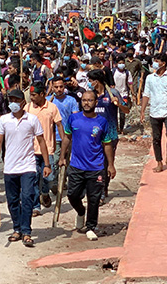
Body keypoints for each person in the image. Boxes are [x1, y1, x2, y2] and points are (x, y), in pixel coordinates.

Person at [0, 89, 50, 247]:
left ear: (23, 102)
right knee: (12, 201)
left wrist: (47, 164)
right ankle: (17, 228)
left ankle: (27, 231)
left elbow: (41, 141)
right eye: (11, 100)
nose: (13, 103)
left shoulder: (32, 119)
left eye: (16, 100)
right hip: (10, 167)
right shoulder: (4, 120)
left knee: (28, 197)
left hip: (28, 166)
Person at [60, 91, 116, 241]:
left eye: (90, 100)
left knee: (94, 198)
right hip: (76, 165)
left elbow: (107, 144)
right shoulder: (73, 119)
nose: (86, 103)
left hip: (96, 166)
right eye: (84, 100)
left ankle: (91, 226)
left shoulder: (102, 122)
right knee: (72, 194)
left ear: (96, 102)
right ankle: (80, 211)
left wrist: (110, 165)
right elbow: (67, 138)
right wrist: (62, 157)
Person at [87, 69, 128, 202]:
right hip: (93, 135)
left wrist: (118, 103)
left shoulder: (112, 93)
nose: (89, 83)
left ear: (96, 81)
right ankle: (96, 188)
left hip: (110, 135)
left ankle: (102, 190)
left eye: (90, 81)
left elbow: (126, 110)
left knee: (105, 163)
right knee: (95, 163)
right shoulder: (90, 95)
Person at [140, 53, 167, 174]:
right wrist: (142, 111)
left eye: (157, 61)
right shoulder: (150, 78)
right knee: (156, 138)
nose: (154, 63)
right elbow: (146, 94)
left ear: (163, 63)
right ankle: (159, 162)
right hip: (154, 111)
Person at [25, 81, 64, 216]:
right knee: (34, 178)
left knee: (49, 178)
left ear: (42, 94)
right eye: (31, 95)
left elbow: (59, 125)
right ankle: (36, 206)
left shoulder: (52, 108)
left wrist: (64, 142)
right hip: (31, 150)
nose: (32, 97)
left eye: (34, 95)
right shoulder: (28, 108)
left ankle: (45, 193)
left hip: (48, 149)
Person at [47, 76, 81, 191]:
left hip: (68, 136)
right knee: (55, 160)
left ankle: (63, 181)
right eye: (56, 87)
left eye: (61, 86)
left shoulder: (71, 100)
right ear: (52, 87)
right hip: (53, 136)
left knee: (66, 160)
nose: (59, 89)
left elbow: (75, 118)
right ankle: (55, 182)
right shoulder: (48, 101)